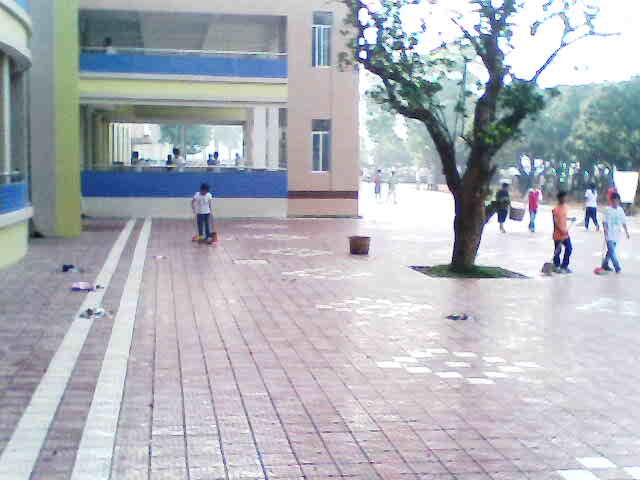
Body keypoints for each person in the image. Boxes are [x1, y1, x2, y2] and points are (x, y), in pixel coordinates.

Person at [601, 192, 630, 273]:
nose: (615, 203)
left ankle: (604, 265)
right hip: (609, 235)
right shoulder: (607, 210)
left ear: (619, 201)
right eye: (613, 201)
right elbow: (604, 222)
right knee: (612, 252)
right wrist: (605, 232)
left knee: (610, 252)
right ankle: (617, 267)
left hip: (617, 235)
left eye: (617, 201)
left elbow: (623, 222)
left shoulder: (620, 210)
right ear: (611, 201)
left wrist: (627, 232)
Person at [552, 191, 573, 274]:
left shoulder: (565, 207)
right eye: (563, 197)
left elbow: (564, 218)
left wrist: (570, 219)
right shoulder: (555, 209)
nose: (564, 199)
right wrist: (561, 230)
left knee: (569, 248)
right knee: (558, 251)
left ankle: (564, 266)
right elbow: (555, 222)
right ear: (559, 198)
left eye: (565, 197)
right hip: (557, 234)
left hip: (565, 234)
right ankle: (556, 266)